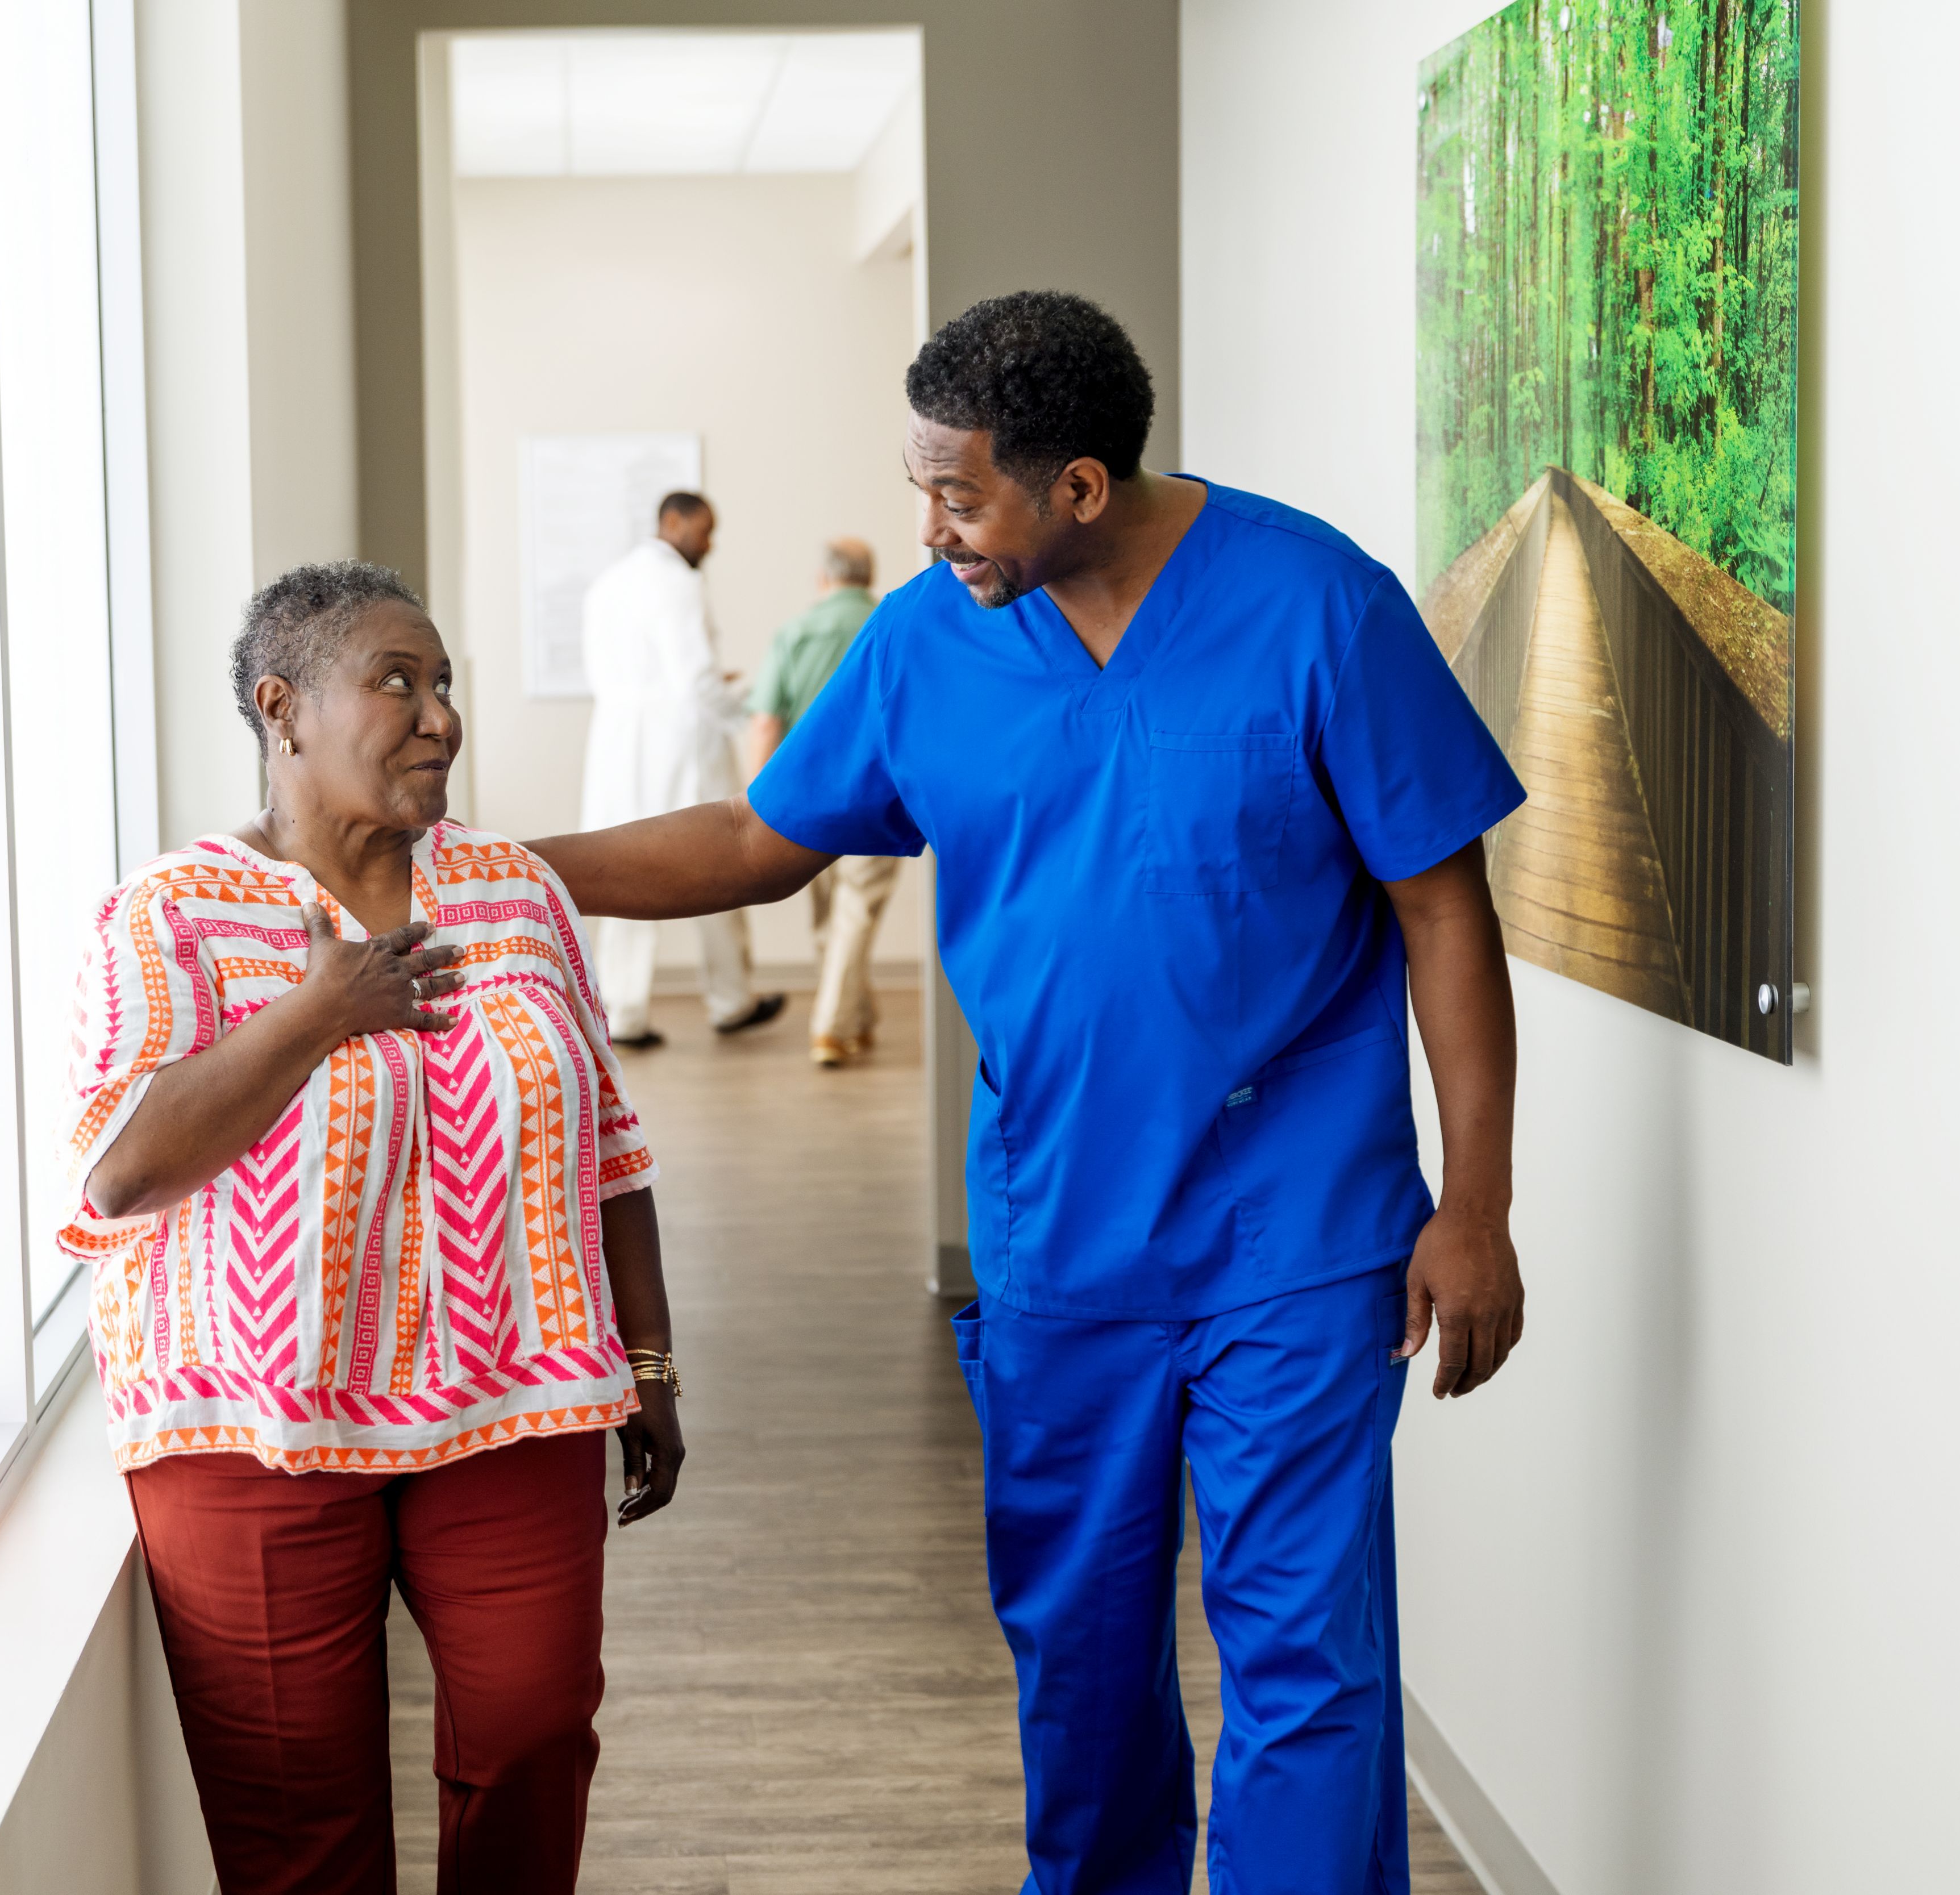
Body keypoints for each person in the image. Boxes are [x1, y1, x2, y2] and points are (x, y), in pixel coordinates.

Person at [532, 293, 1528, 1895]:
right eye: (921, 484)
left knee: (1309, 1664)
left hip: (1304, 1229)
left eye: (962, 492)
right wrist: (504, 872)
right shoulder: (932, 637)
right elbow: (754, 840)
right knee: (1079, 1653)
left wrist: (1474, 1203)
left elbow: (1441, 907)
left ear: (1078, 485)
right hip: (1065, 1235)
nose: (929, 527)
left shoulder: (1318, 605)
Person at [62, 561, 688, 1895]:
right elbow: (120, 1175)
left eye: (445, 683)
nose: (440, 717)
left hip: (512, 1396)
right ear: (281, 708)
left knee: (531, 1736)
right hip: (249, 1427)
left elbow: (609, 1145)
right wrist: (314, 1011)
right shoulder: (169, 912)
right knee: (300, 1826)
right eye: (397, 682)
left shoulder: (515, 891)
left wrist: (649, 1358)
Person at [577, 490, 784, 1048]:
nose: (709, 543)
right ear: (673, 522)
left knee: (617, 867)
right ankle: (731, 997)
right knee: (717, 863)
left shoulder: (607, 583)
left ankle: (622, 1012)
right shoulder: (677, 583)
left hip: (618, 742)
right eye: (704, 530)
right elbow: (695, 681)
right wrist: (747, 709)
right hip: (678, 743)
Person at [740, 538, 900, 1067]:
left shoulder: (794, 632)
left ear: (823, 579)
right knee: (854, 912)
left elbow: (765, 721)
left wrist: (755, 803)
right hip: (879, 795)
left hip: (804, 800)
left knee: (830, 915)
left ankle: (850, 1016)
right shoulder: (892, 624)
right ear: (868, 574)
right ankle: (834, 1025)